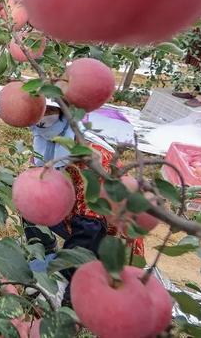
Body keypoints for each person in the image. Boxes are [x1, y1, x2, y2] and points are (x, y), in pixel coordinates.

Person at [25, 101, 144, 304]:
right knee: (30, 199)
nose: (42, 121)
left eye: (50, 112)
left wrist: (64, 281)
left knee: (82, 254)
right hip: (77, 219)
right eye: (39, 114)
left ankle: (74, 282)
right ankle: (46, 250)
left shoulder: (92, 161)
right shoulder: (49, 148)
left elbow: (91, 228)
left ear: (65, 115)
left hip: (107, 238)